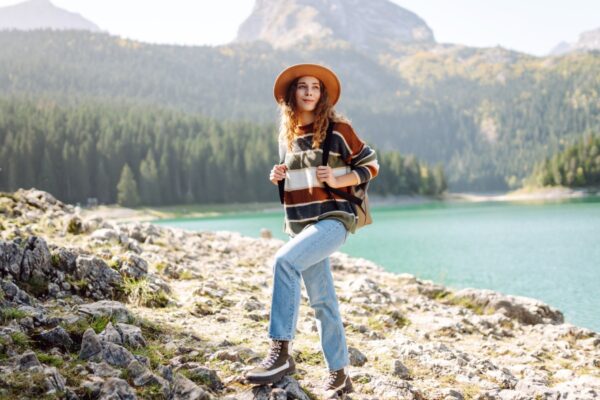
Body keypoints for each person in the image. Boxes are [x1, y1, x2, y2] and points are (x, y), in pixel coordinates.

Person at [244, 63, 379, 397]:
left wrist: (337, 178)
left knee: (284, 262)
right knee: (322, 301)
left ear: (323, 94)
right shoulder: (287, 136)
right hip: (301, 226)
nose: (308, 92)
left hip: (334, 219)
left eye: (315, 87)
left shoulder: (338, 129)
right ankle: (339, 374)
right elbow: (296, 179)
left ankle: (280, 353)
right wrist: (277, 175)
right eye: (302, 86)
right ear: (293, 94)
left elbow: (371, 165)